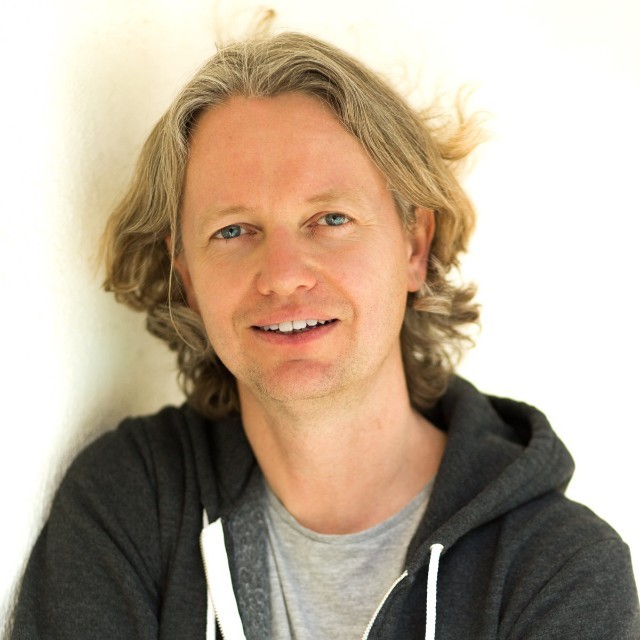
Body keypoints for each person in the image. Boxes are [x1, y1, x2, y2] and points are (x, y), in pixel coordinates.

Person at [11, 32, 639, 640]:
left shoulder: (557, 570)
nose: (282, 275)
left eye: (330, 219)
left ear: (414, 247)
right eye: (233, 231)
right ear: (188, 277)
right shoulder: (132, 501)